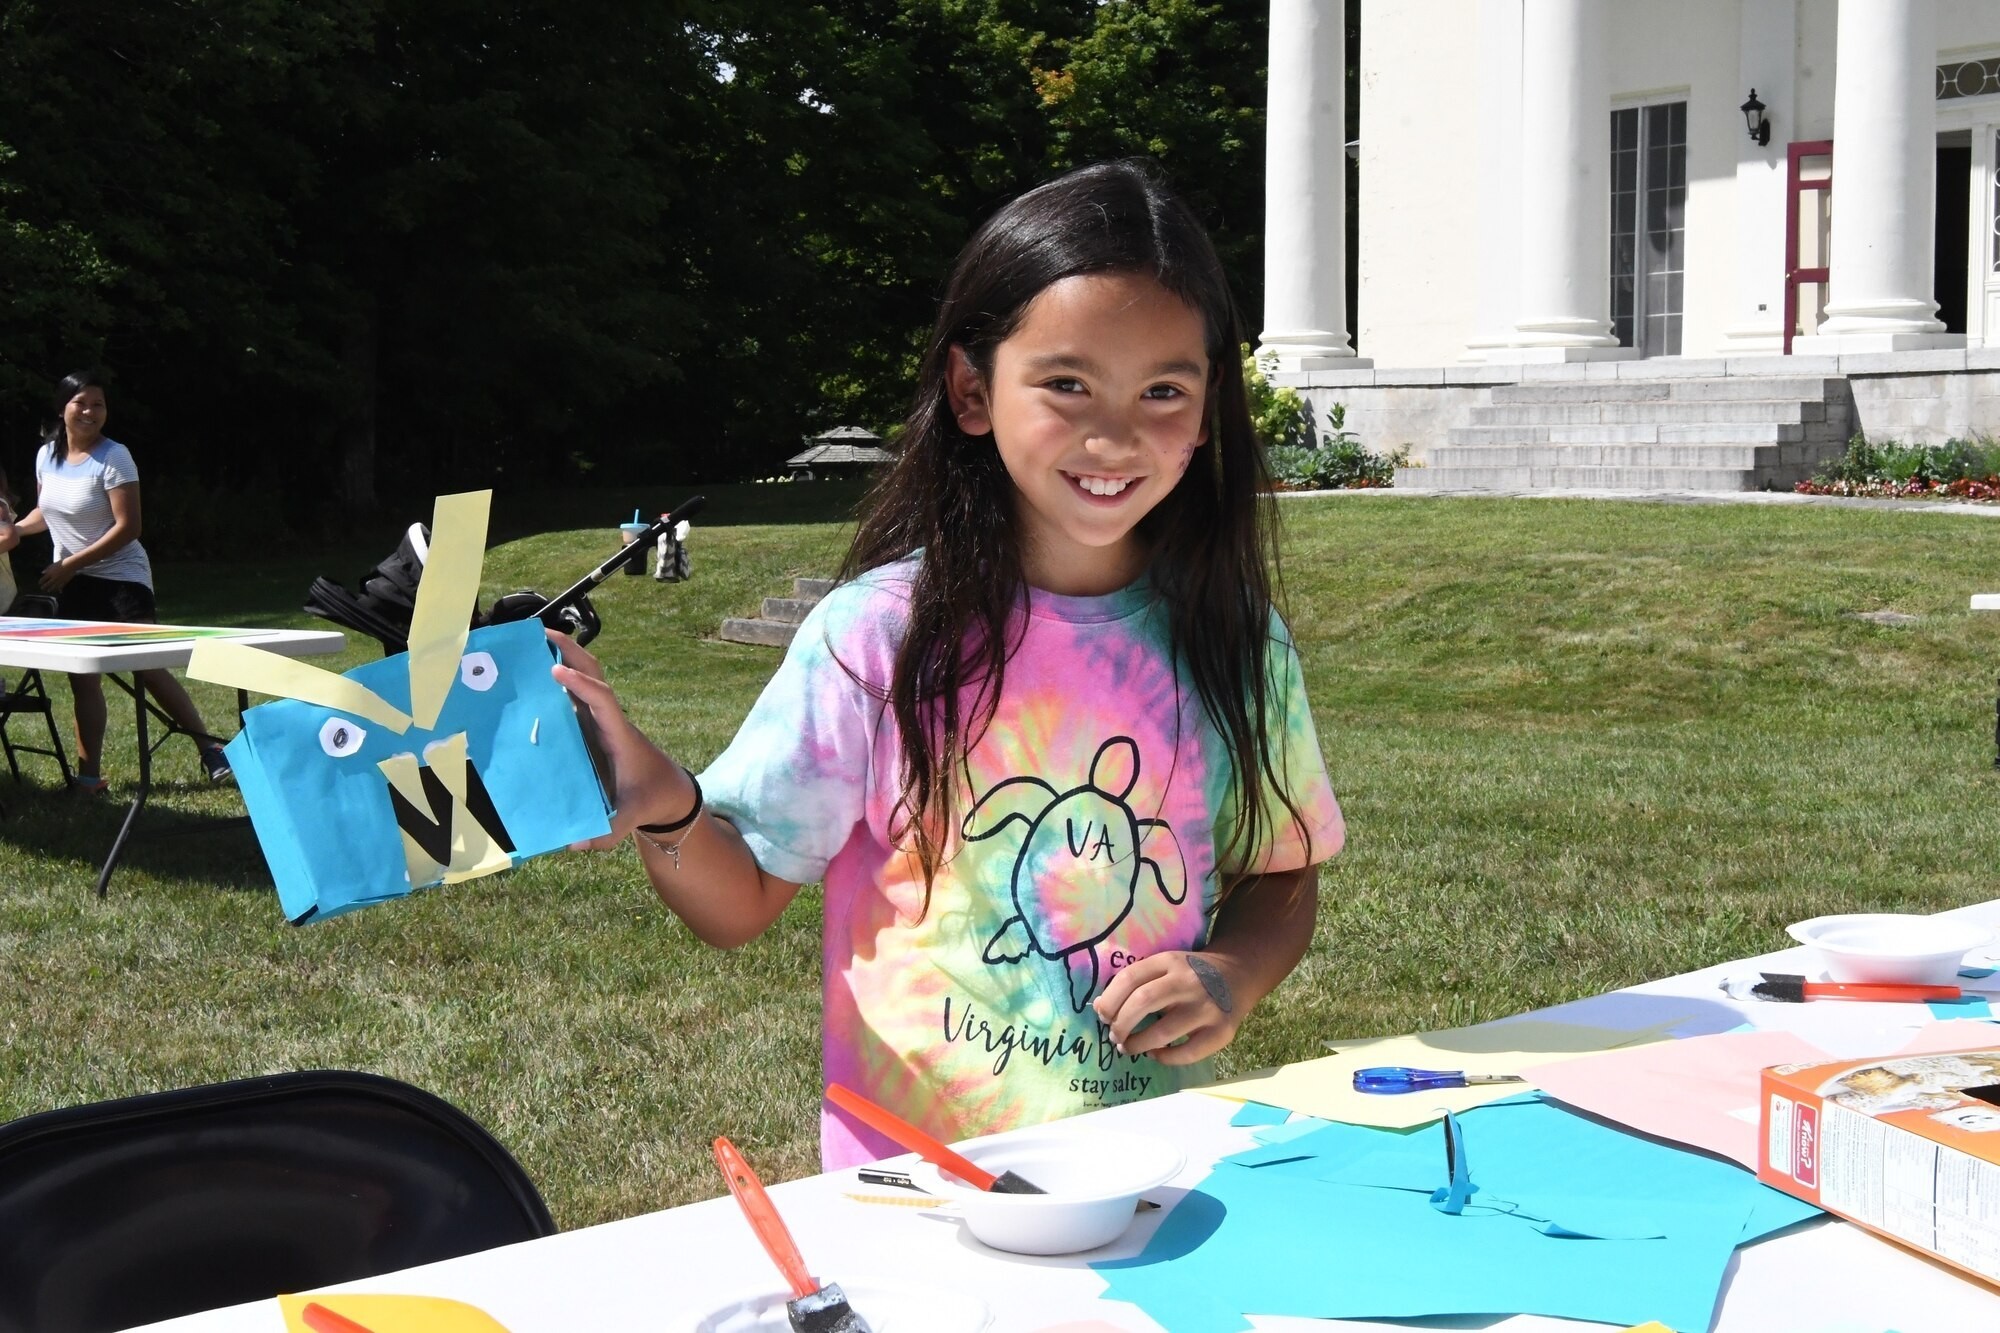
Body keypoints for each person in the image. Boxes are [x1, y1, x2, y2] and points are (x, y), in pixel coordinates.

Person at [556, 161, 1345, 1168]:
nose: (1114, 432)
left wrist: (1231, 973)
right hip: (910, 1192)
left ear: (1204, 411)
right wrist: (663, 803)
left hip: (1150, 1173)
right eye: (1066, 383)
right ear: (972, 390)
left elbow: (1281, 871)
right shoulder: (875, 637)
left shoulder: (1234, 636)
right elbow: (738, 900)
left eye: (1162, 390)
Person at [13, 371, 232, 791]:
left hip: (121, 581)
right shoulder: (47, 457)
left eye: (99, 404)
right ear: (62, 408)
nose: (91, 412)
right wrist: (18, 531)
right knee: (83, 679)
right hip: (73, 580)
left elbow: (128, 527)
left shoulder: (115, 457)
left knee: (146, 668)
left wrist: (72, 562)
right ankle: (89, 778)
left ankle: (211, 751)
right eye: (82, 403)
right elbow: (48, 511)